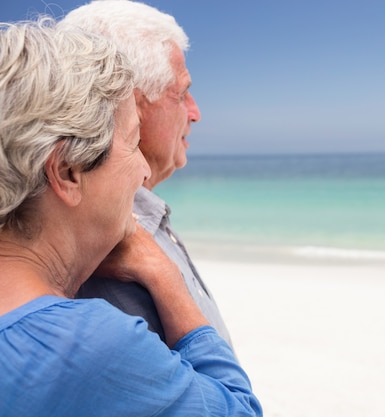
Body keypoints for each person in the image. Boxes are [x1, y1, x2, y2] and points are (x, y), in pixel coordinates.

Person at [0, 18, 261, 416]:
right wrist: (162, 273)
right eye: (131, 142)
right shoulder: (86, 345)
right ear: (68, 170)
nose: (141, 171)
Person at [59, 0, 234, 346]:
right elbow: (215, 401)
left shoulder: (141, 221)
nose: (195, 113)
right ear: (130, 103)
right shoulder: (105, 238)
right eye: (181, 93)